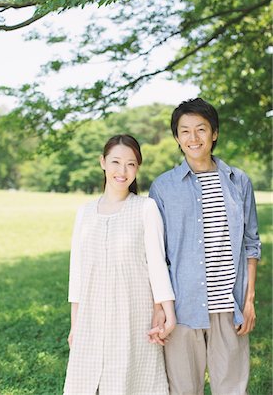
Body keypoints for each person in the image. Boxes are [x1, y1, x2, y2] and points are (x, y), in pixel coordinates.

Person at [148, 98, 261, 395]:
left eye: (201, 129)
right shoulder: (163, 187)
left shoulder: (239, 182)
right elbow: (156, 255)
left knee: (232, 389)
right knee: (184, 390)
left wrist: (249, 301)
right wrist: (159, 307)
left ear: (215, 133)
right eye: (185, 131)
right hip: (183, 308)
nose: (193, 138)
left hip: (229, 305)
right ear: (176, 138)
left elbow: (251, 244)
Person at [63, 134, 176, 395]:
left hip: (133, 314)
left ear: (138, 168)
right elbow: (77, 274)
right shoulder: (85, 213)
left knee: (132, 384)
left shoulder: (146, 208)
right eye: (115, 162)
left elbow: (157, 264)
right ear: (102, 162)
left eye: (131, 164)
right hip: (91, 318)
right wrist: (75, 325)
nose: (122, 171)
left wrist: (167, 311)